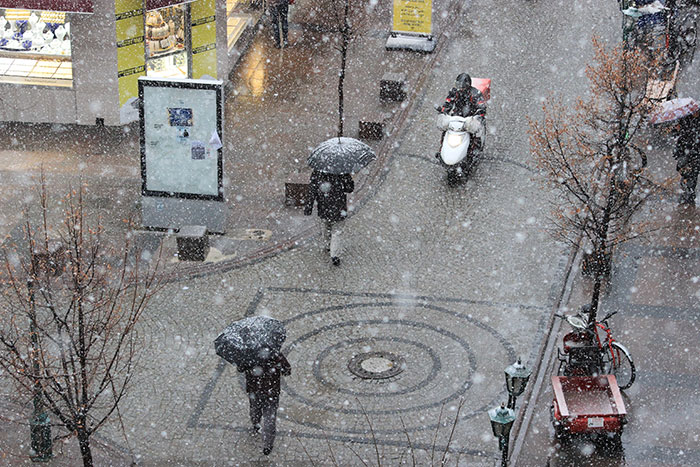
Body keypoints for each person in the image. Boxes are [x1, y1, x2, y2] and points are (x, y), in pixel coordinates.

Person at [241, 351, 291, 455]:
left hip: (254, 390)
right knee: (270, 418)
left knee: (255, 410)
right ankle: (268, 444)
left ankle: (255, 424)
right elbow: (287, 370)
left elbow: (240, 368)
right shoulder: (276, 354)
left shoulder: (249, 354)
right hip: (271, 393)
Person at [304, 170, 354, 266]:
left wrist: (308, 207)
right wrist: (348, 179)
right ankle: (334, 255)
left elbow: (312, 190)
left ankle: (327, 245)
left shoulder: (317, 171)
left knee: (326, 226)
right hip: (338, 208)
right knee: (337, 232)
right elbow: (349, 188)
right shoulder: (342, 172)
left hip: (324, 207)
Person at [436, 73, 487, 156]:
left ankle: (475, 150)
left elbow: (481, 105)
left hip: (470, 117)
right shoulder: (454, 91)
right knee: (445, 131)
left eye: (461, 86)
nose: (460, 88)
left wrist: (479, 114)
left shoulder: (475, 93)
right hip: (456, 116)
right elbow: (448, 102)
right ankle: (442, 149)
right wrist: (443, 111)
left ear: (467, 85)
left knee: (474, 133)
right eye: (458, 85)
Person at [673, 112, 700, 205]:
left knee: (693, 174)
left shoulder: (695, 122)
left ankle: (689, 195)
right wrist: (677, 130)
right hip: (685, 152)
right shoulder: (684, 119)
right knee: (685, 173)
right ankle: (686, 194)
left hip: (695, 153)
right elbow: (678, 136)